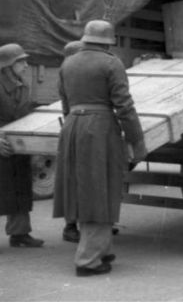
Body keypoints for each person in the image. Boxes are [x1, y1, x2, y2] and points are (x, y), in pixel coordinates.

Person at [53, 21, 146, 277]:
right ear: (108, 40)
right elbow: (124, 106)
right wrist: (137, 141)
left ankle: (101, 250)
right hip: (100, 129)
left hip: (72, 126)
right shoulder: (111, 63)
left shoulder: (68, 62)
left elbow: (64, 101)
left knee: (87, 187)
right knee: (99, 188)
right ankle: (88, 260)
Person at [0, 43, 45, 248]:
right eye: (22, 61)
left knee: (20, 188)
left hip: (18, 145)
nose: (26, 65)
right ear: (8, 64)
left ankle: (19, 234)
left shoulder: (23, 84)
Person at [58, 41, 84, 243]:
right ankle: (71, 226)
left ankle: (79, 226)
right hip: (78, 130)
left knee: (75, 179)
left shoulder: (65, 72)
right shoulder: (73, 73)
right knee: (78, 179)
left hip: (71, 127)